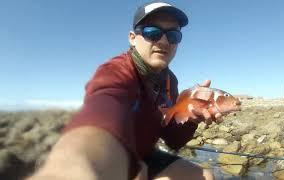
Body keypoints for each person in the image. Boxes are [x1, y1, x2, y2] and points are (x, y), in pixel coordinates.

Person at [27, 2, 223, 180]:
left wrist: (191, 119)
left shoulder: (170, 80)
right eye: (152, 32)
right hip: (114, 154)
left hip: (144, 154)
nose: (164, 41)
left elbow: (172, 140)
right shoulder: (116, 71)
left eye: (173, 35)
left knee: (205, 176)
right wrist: (73, 165)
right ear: (132, 38)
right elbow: (102, 108)